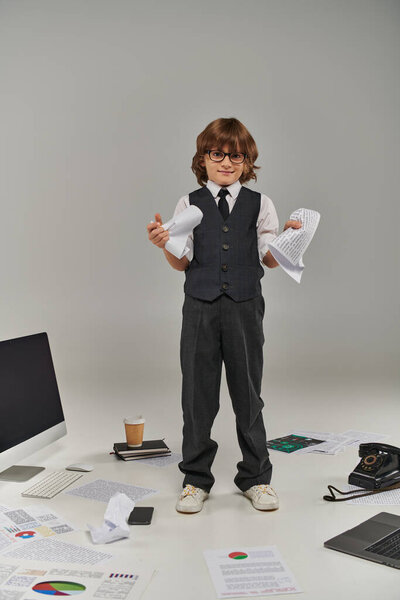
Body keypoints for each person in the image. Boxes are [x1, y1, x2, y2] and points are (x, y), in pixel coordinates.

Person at [147, 117, 301, 514]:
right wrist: (164, 244)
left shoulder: (260, 204)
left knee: (248, 394)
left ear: (247, 163)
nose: (227, 163)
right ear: (204, 158)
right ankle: (195, 479)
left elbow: (268, 260)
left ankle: (256, 478)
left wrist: (288, 239)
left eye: (237, 156)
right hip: (199, 306)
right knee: (197, 394)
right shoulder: (188, 203)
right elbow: (181, 262)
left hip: (245, 307)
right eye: (218, 154)